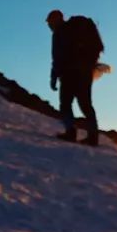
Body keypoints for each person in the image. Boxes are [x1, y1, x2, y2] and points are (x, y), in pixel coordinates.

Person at [46, 9, 104, 146]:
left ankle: (70, 133)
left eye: (50, 22)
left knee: (65, 103)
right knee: (85, 104)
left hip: (69, 74)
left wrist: (54, 77)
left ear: (56, 20)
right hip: (84, 72)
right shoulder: (73, 29)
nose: (49, 25)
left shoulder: (59, 34)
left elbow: (57, 58)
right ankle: (93, 137)